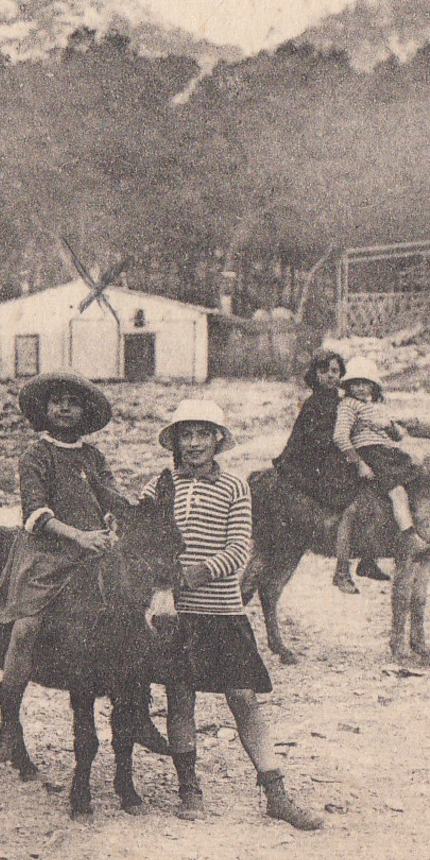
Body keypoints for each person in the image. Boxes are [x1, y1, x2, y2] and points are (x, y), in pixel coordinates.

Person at [142, 399, 323, 830]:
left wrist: (193, 574)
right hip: (177, 615)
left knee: (243, 699)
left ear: (218, 439)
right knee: (180, 699)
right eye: (186, 434)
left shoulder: (235, 487)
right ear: (176, 440)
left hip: (221, 611)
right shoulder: (160, 486)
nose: (195, 442)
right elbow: (144, 534)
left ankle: (275, 792)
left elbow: (240, 548)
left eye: (204, 433)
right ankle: (189, 788)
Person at [0, 371, 135, 760]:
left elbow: (111, 497)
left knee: (132, 607)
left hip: (93, 547)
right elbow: (36, 512)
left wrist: (119, 521)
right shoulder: (36, 455)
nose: (66, 408)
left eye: (74, 401)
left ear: (86, 410)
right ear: (45, 409)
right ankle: (8, 720)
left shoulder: (92, 456)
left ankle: (136, 708)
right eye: (58, 401)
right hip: (47, 552)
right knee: (26, 627)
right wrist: (78, 536)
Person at [273, 350, 377, 590]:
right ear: (315, 374)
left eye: (335, 371)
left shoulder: (338, 400)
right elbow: (317, 442)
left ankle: (368, 557)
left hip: (328, 458)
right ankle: (342, 570)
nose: (330, 376)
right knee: (351, 498)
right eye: (324, 371)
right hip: (309, 465)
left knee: (375, 485)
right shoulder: (315, 403)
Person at [333, 357, 429, 560]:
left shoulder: (374, 407)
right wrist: (359, 462)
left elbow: (398, 436)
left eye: (364, 383)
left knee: (418, 476)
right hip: (371, 453)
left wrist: (389, 425)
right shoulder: (348, 405)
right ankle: (409, 536)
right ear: (348, 386)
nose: (359, 388)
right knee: (396, 491)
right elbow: (340, 436)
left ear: (373, 386)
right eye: (355, 383)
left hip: (387, 451)